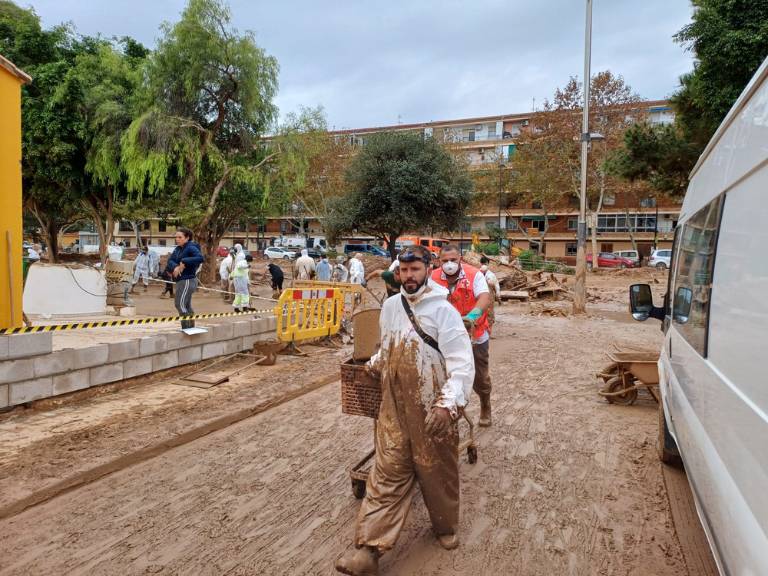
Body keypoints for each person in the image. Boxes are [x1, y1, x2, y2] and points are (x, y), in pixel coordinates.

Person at [335, 245, 474, 576]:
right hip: (394, 407)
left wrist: (447, 405)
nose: (408, 277)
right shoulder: (392, 306)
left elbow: (462, 365)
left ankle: (445, 526)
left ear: (427, 269)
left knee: (436, 472)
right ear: (398, 273)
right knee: (386, 474)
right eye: (403, 271)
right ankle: (368, 552)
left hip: (433, 410)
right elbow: (389, 345)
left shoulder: (445, 312)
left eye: (415, 270)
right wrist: (374, 364)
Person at [431, 245, 493, 427]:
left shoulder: (474, 275)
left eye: (453, 260)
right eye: (444, 261)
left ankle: (485, 404)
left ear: (460, 259)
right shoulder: (433, 277)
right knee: (445, 376)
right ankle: (449, 412)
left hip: (474, 334)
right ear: (439, 261)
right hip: (445, 336)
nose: (449, 264)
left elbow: (484, 297)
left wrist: (472, 317)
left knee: (479, 377)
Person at [170, 227, 204, 330]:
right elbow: (170, 260)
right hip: (181, 280)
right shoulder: (178, 249)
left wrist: (184, 261)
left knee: (179, 304)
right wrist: (175, 267)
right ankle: (190, 328)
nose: (177, 239)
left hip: (187, 280)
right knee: (186, 305)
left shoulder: (191, 247)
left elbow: (200, 258)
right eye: (176, 237)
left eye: (180, 237)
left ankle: (187, 328)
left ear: (187, 238)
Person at [479, 256, 501, 333]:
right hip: (482, 296)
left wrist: (498, 295)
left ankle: (488, 331)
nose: (483, 265)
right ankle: (483, 330)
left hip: (488, 296)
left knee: (489, 313)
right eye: (483, 263)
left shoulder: (490, 275)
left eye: (484, 263)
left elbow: (495, 285)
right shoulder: (479, 273)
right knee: (482, 312)